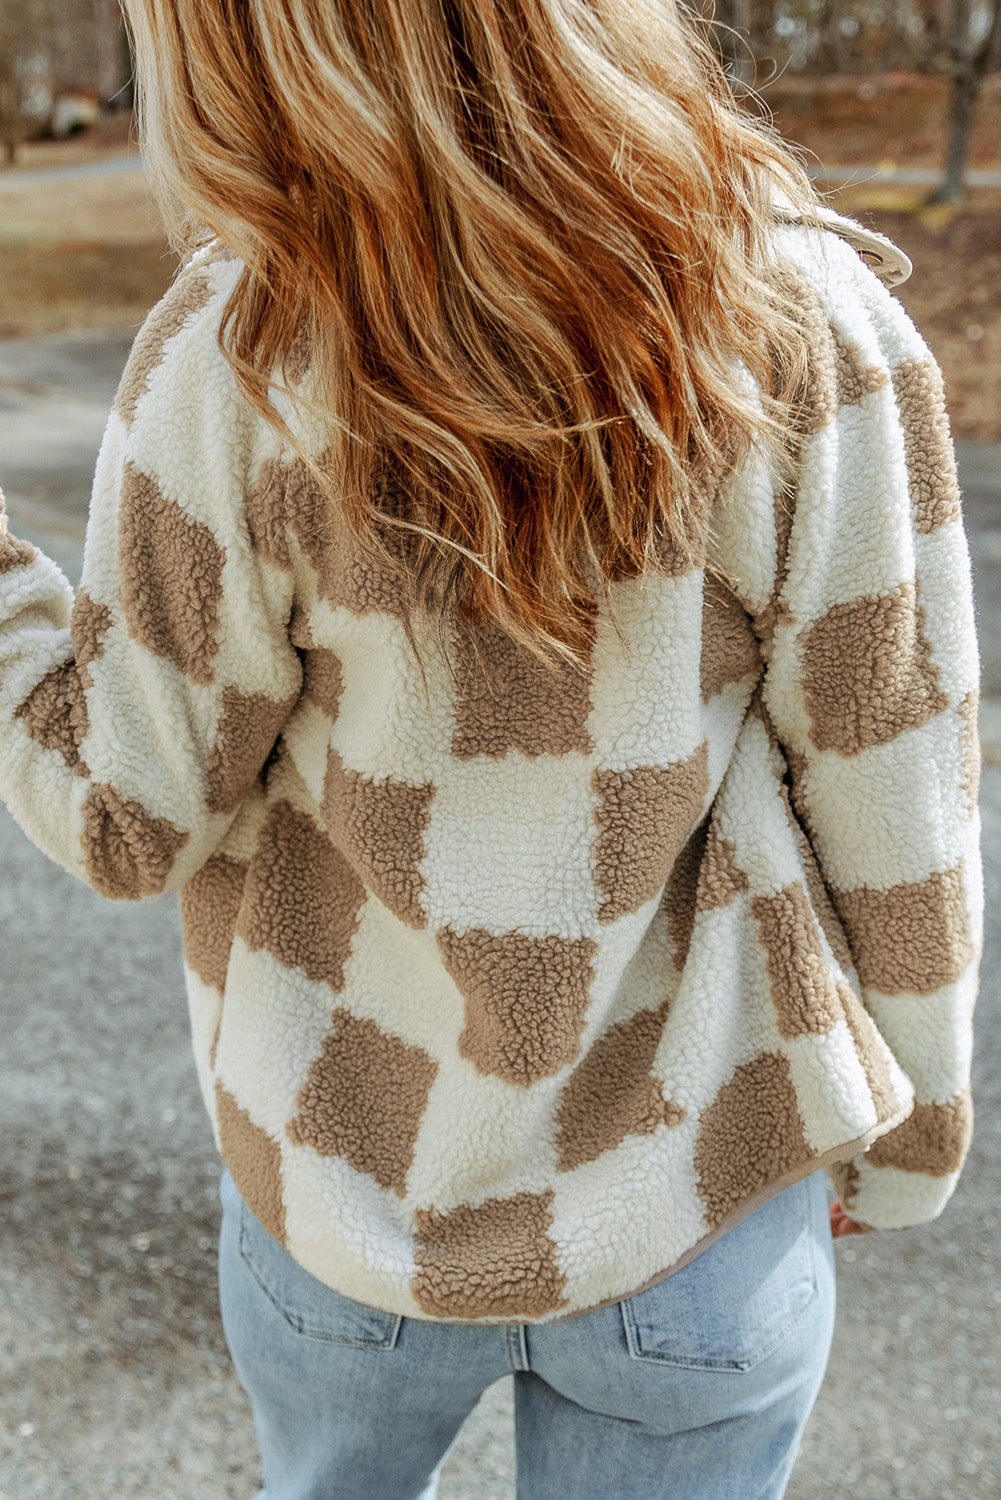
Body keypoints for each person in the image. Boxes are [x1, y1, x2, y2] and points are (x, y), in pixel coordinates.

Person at [0, 0, 982, 1495]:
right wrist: (905, 1136)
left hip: (341, 1202)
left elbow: (123, 816)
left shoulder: (233, 356)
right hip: (700, 1200)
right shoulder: (809, 324)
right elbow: (897, 787)